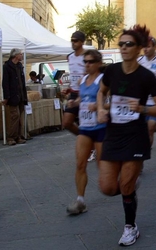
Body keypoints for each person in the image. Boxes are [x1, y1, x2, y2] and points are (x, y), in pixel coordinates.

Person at [96, 25, 156, 246]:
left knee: (125, 186)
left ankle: (130, 226)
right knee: (107, 188)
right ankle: (130, 189)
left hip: (136, 135)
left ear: (139, 49)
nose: (124, 48)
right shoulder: (112, 71)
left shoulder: (147, 76)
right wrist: (100, 108)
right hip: (114, 134)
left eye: (129, 44)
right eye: (121, 44)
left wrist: (142, 109)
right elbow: (101, 91)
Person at [66, 50, 106, 215]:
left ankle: (126, 181)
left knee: (102, 167)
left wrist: (98, 107)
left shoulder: (103, 80)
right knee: (80, 163)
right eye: (85, 61)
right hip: (85, 128)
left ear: (98, 63)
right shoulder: (82, 80)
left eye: (90, 62)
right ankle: (80, 200)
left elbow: (111, 100)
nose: (87, 64)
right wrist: (73, 102)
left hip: (100, 128)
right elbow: (82, 99)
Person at [62, 31, 86, 136]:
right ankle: (83, 137)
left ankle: (88, 142)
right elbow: (73, 75)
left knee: (86, 123)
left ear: (82, 42)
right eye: (71, 40)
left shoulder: (87, 57)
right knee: (66, 123)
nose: (73, 43)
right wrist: (69, 88)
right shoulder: (70, 57)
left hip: (85, 93)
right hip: (73, 93)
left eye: (75, 41)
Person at [2, 48, 28, 146]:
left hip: (21, 95)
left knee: (19, 116)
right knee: (15, 116)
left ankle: (18, 136)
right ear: (16, 55)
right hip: (13, 96)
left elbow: (22, 82)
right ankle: (11, 137)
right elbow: (5, 83)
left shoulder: (20, 66)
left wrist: (24, 96)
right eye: (20, 54)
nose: (21, 56)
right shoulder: (7, 66)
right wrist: (6, 97)